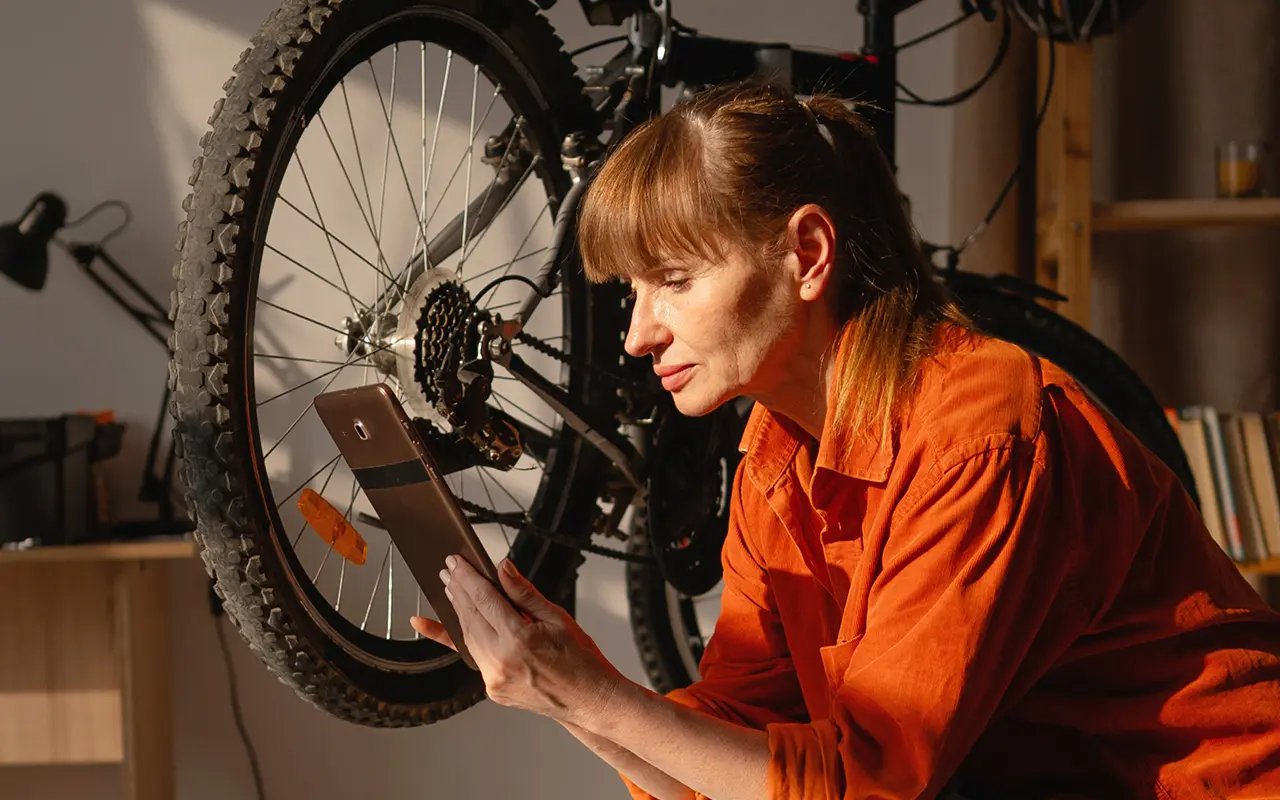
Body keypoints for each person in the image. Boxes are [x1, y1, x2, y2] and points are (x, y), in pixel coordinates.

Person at [409, 81, 1280, 799]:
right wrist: (563, 691)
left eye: (673, 281)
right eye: (633, 292)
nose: (639, 335)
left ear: (808, 252)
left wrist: (594, 697)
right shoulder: (773, 462)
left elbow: (868, 784)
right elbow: (728, 766)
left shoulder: (978, 427)